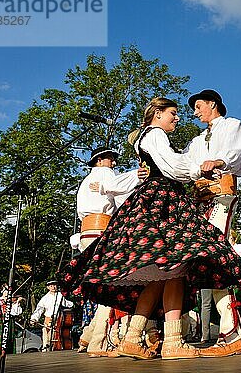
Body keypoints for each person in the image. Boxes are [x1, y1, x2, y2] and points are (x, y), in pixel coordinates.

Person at [60, 97, 241, 360]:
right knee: (179, 263)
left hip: (154, 199)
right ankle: (172, 341)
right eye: (173, 113)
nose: (178, 118)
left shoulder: (149, 137)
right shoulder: (156, 134)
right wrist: (198, 171)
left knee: (162, 272)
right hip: (164, 201)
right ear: (157, 114)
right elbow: (172, 165)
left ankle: (133, 337)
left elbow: (161, 164)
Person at [185, 89, 241, 357]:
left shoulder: (231, 125)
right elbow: (185, 164)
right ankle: (231, 331)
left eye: (198, 106)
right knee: (206, 261)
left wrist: (218, 160)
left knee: (215, 255)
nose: (195, 111)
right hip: (201, 199)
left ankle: (231, 333)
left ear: (212, 104)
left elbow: (235, 154)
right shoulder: (197, 140)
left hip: (222, 195)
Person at [75, 146, 146, 357]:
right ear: (99, 161)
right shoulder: (104, 175)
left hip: (87, 233)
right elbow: (116, 186)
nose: (113, 163)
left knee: (103, 286)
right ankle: (100, 341)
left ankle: (89, 335)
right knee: (112, 287)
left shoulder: (85, 183)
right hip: (101, 231)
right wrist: (137, 174)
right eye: (110, 159)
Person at [30, 280, 74, 352]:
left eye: (54, 285)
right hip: (49, 319)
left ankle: (58, 347)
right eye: (51, 286)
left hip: (59, 319)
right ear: (48, 287)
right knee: (46, 333)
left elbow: (66, 303)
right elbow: (39, 309)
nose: (53, 287)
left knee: (57, 334)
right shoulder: (45, 298)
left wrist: (73, 303)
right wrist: (34, 318)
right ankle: (45, 348)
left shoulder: (60, 295)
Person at [0, 285, 24, 355]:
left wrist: (17, 302)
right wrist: (1, 299)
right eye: (6, 291)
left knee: (8, 339)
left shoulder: (13, 302)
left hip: (9, 322)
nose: (7, 293)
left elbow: (16, 312)